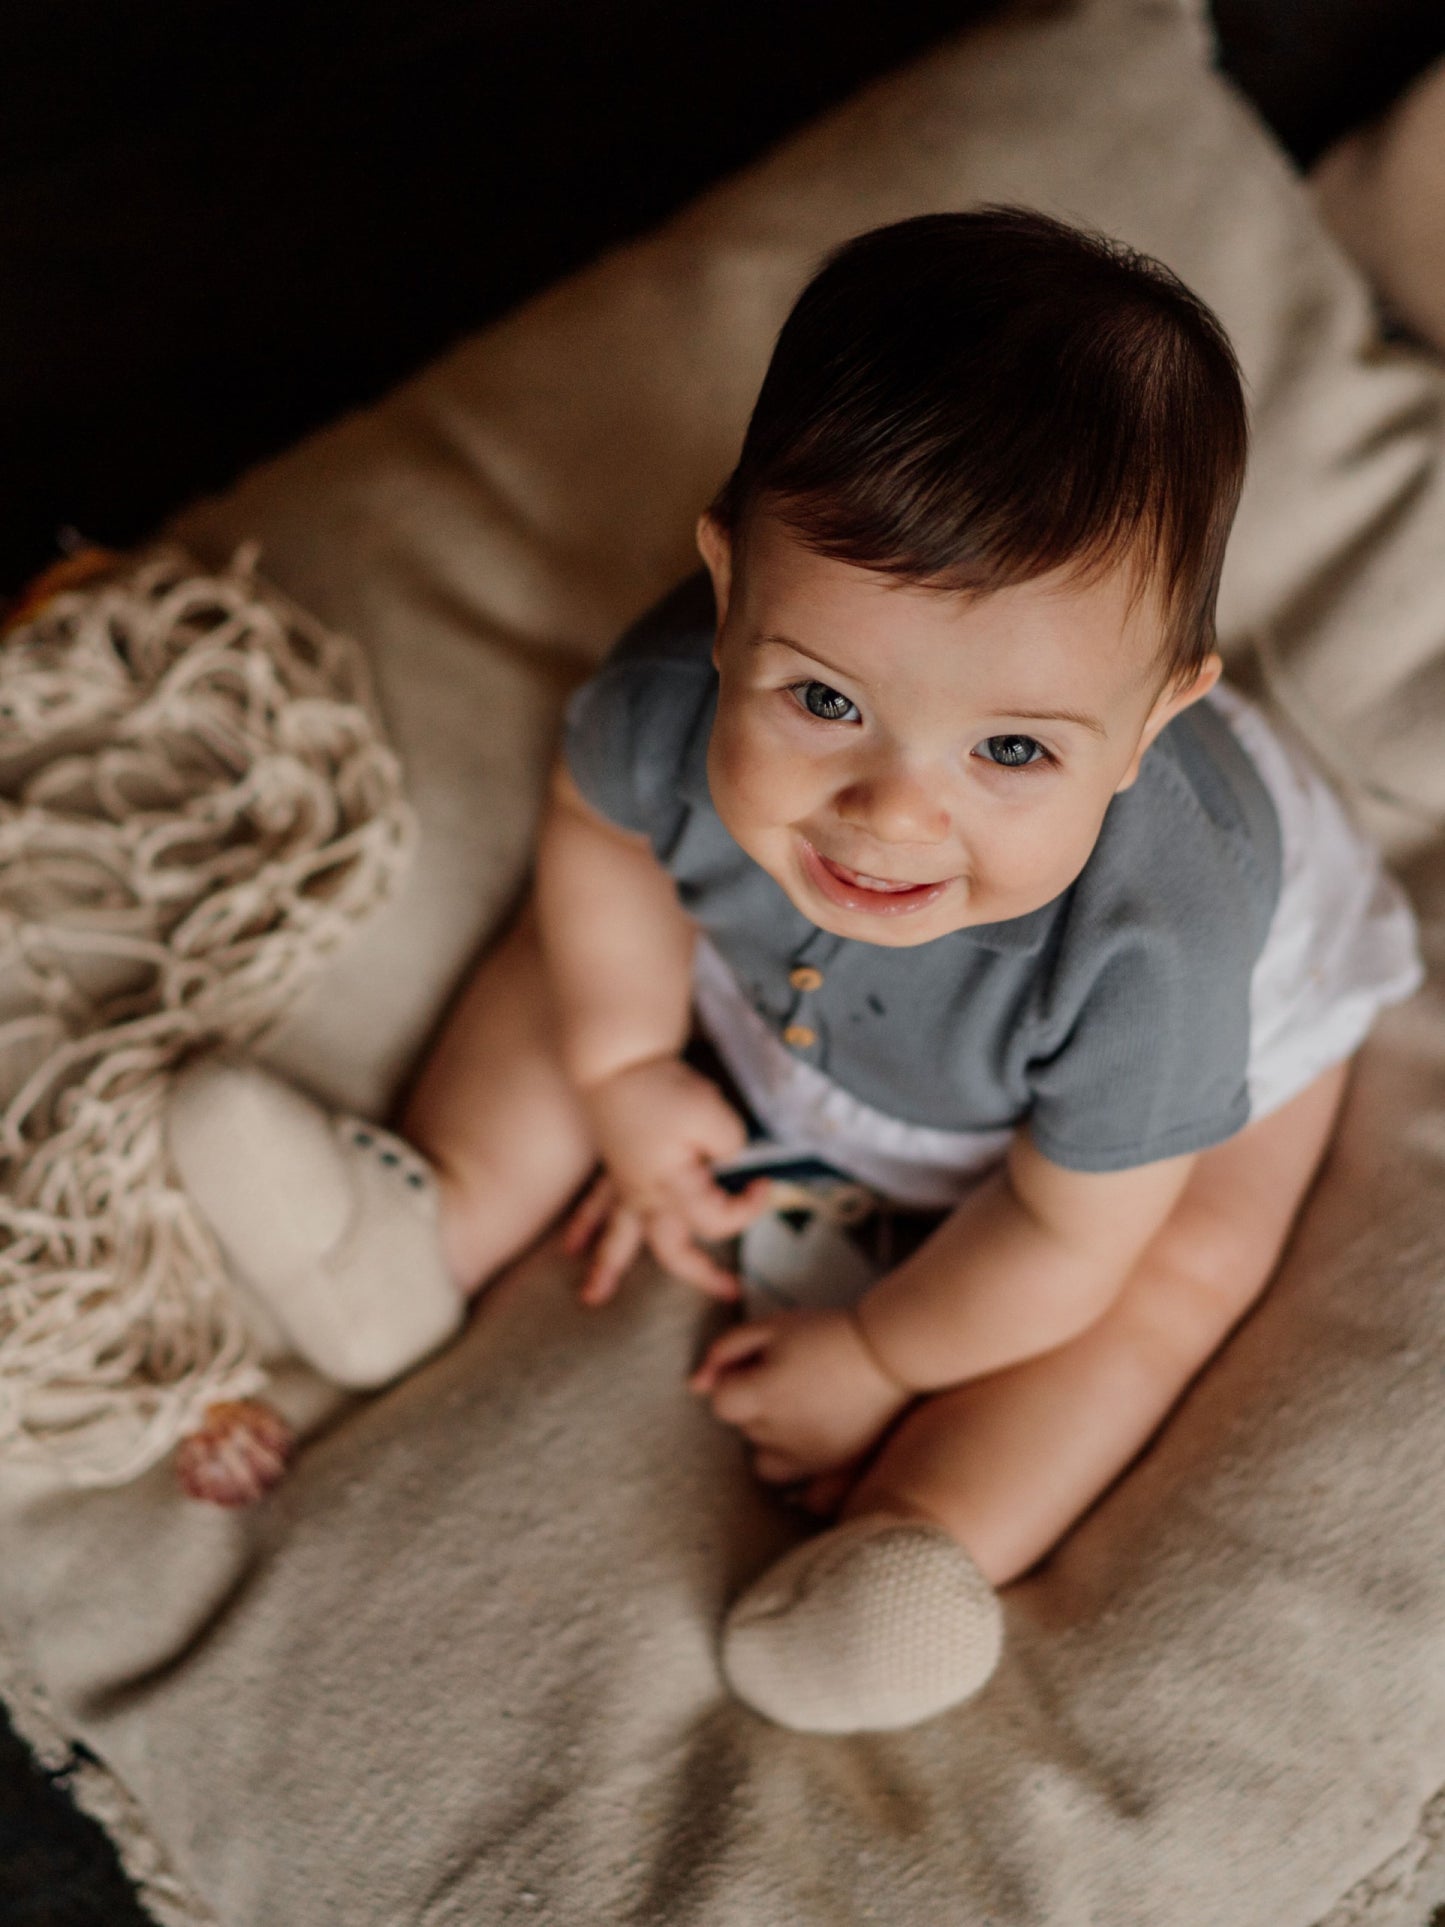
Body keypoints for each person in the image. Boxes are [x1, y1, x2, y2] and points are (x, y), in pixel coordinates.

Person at [168, 208, 1423, 1733]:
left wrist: (874, 1352)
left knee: (1175, 1277)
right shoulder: (671, 695)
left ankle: (916, 1549)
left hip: (1146, 1116)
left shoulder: (1160, 952)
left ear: (1155, 722)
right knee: (560, 953)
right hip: (783, 981)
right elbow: (596, 831)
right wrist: (628, 1070)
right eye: (823, 697)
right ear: (727, 588)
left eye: (1013, 748)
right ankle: (404, 1233)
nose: (891, 815)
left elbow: (1060, 1241)